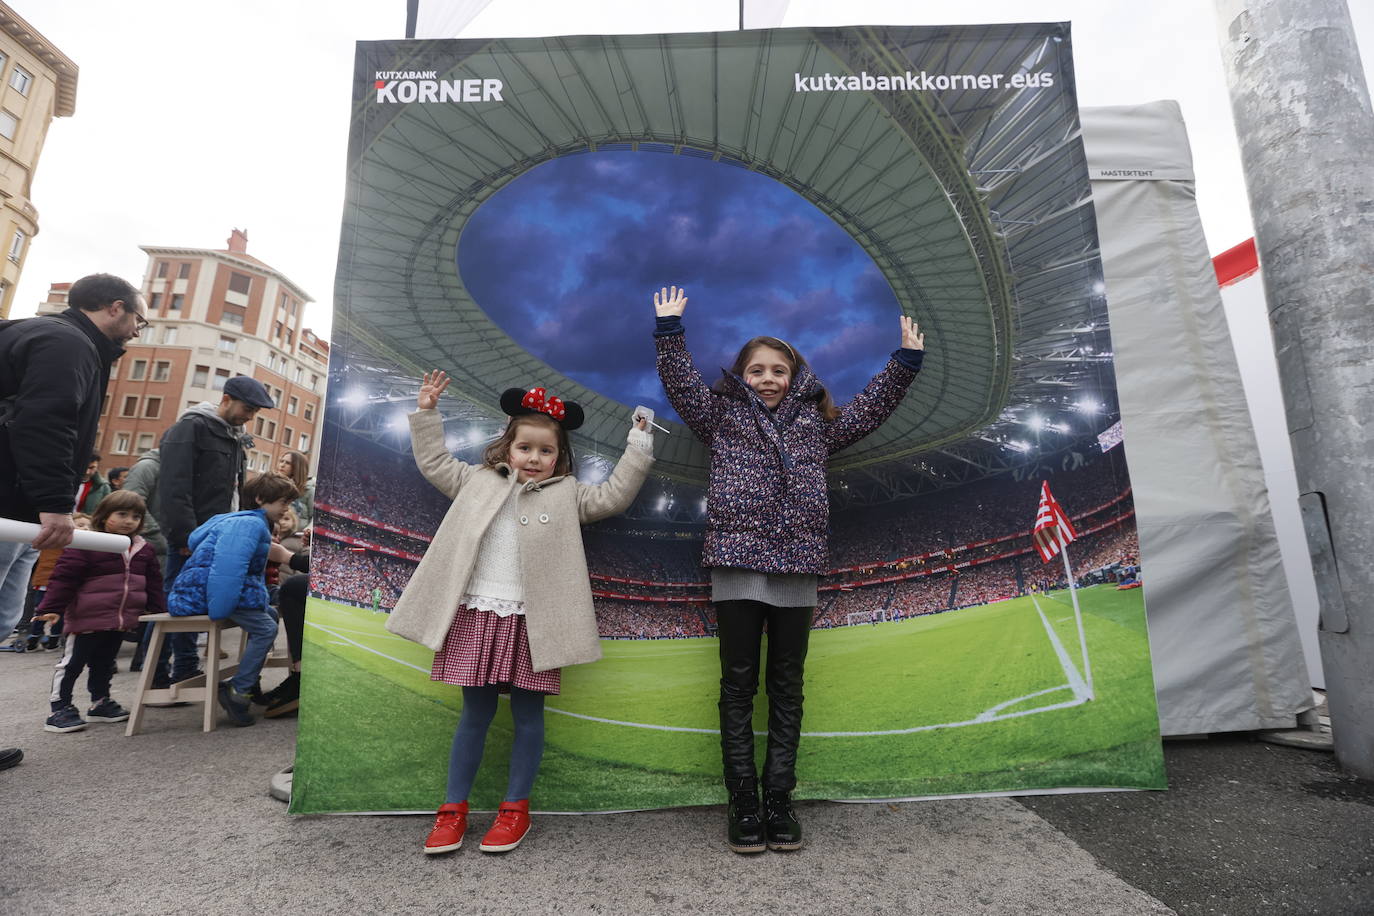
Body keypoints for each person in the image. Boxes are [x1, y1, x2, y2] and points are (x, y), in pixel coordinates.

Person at [651, 285, 924, 853]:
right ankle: (743, 802)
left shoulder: (816, 424)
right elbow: (681, 387)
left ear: (796, 375)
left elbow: (870, 409)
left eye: (779, 369)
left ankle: (780, 799)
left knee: (787, 687)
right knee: (738, 685)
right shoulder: (721, 417)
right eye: (757, 369)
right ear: (742, 376)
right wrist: (671, 332)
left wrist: (903, 363)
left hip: (798, 562)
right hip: (736, 561)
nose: (768, 378)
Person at [387, 372, 653, 856]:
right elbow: (433, 461)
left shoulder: (568, 494)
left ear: (560, 457)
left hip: (536, 624)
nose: (534, 458)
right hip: (477, 613)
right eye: (525, 448)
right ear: (507, 447)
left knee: (529, 717)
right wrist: (426, 414)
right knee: (475, 713)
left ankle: (515, 809)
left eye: (545, 452)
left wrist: (638, 442)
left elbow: (614, 495)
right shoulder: (475, 480)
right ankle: (452, 810)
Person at [0, 271, 144, 769]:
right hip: (13, 505)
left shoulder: (49, 337)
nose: (135, 330)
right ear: (115, 308)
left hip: (16, 509)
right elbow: (46, 421)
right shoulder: (67, 345)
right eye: (138, 319)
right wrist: (56, 504)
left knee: (1, 617)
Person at [152, 375, 275, 687]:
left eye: (255, 412)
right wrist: (184, 537)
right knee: (177, 604)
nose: (251, 416)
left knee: (194, 605)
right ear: (226, 399)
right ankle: (157, 676)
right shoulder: (190, 428)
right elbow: (174, 488)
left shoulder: (234, 438)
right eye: (248, 408)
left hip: (217, 536)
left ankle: (184, 669)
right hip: (192, 537)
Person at [165, 472, 298, 727]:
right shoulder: (249, 525)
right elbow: (228, 568)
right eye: (283, 502)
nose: (286, 508)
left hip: (201, 589)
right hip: (201, 594)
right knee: (267, 627)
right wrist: (221, 609)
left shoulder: (244, 521)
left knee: (268, 616)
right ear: (260, 499)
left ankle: (249, 681)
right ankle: (238, 691)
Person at [32, 491, 164, 733]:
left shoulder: (144, 549)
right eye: (122, 514)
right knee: (72, 664)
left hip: (119, 620)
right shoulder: (87, 543)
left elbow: (153, 581)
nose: (129, 521)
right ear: (104, 516)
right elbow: (64, 577)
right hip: (87, 618)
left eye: (136, 516)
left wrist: (159, 609)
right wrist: (51, 608)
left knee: (104, 663)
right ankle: (59, 708)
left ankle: (100, 702)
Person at [276, 452, 314, 527]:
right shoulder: (273, 486)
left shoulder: (309, 491)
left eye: (287, 463)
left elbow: (314, 519)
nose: (282, 465)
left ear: (297, 467)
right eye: (281, 461)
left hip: (297, 536)